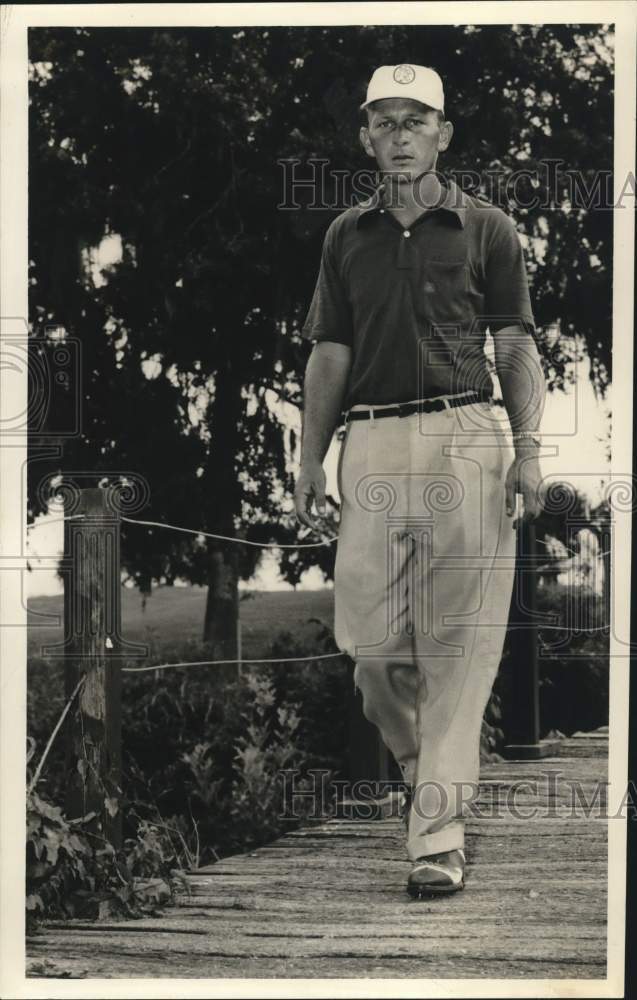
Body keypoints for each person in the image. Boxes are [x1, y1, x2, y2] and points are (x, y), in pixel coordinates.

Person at [295, 64, 545, 897]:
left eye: (415, 120)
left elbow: (512, 343)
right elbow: (329, 352)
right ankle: (427, 775)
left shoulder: (487, 229)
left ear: (443, 133)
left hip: (465, 435)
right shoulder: (344, 235)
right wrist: (308, 456)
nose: (399, 134)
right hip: (368, 445)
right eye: (384, 121)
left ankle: (435, 835)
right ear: (365, 137)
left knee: (457, 648)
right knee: (368, 650)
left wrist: (529, 449)